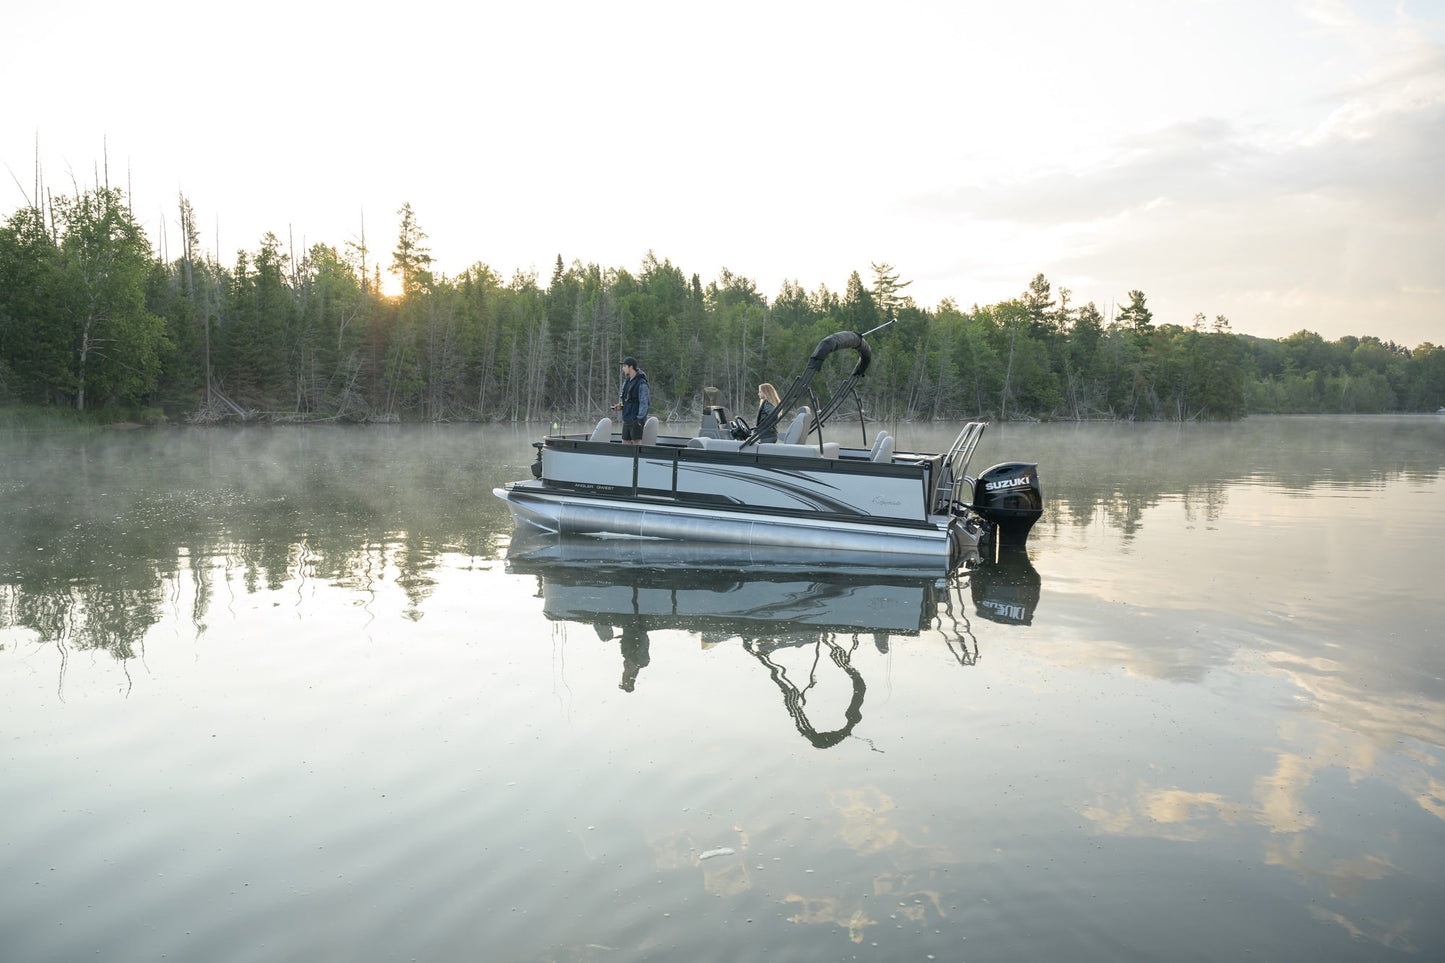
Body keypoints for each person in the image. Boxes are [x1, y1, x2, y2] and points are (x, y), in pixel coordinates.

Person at [611, 356, 650, 444]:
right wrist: (620, 406)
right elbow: (626, 399)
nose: (623, 368)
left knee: (637, 443)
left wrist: (640, 419)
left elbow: (644, 403)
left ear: (631, 367)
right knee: (625, 442)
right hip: (627, 417)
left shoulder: (641, 383)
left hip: (635, 419)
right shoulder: (628, 381)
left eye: (624, 366)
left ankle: (637, 458)